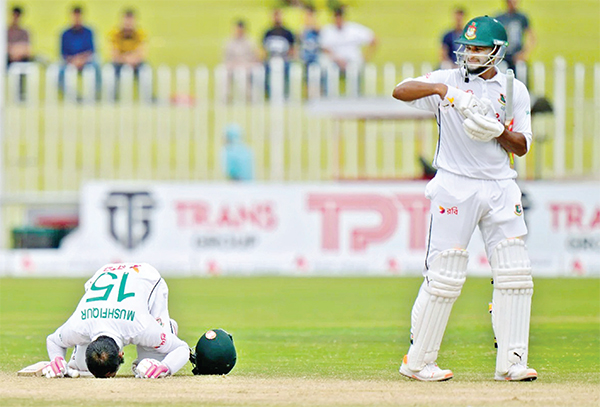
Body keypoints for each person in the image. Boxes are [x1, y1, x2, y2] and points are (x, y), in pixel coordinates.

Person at [392, 16, 537, 382]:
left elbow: (521, 147)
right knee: (445, 274)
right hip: (455, 184)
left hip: (501, 185)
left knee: (514, 273)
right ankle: (418, 362)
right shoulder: (448, 79)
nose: (470, 54)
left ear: (496, 52)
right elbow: (400, 91)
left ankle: (512, 362)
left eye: (478, 48)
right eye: (467, 47)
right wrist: (446, 93)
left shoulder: (513, 88)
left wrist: (497, 130)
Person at [42, 263, 189, 378]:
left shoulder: (141, 327)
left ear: (121, 354)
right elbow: (53, 340)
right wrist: (57, 360)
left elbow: (181, 348)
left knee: (151, 361)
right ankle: (79, 358)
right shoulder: (78, 325)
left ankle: (167, 326)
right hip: (103, 273)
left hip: (146, 277)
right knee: (81, 364)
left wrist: (165, 368)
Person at [319, 7, 377, 73]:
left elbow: (373, 39)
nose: (338, 20)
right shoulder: (328, 30)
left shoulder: (354, 29)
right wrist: (338, 60)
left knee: (356, 63)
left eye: (340, 17)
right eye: (336, 17)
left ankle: (355, 82)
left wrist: (365, 57)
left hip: (352, 60)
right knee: (324, 61)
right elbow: (324, 48)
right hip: (335, 61)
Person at [59, 6, 100, 94]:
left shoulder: (88, 32)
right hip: (70, 61)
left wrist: (81, 60)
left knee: (97, 65)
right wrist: (73, 60)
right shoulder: (65, 33)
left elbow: (91, 50)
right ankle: (68, 95)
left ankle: (94, 94)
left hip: (86, 60)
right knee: (59, 69)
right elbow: (63, 53)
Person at [495, 0, 536, 73]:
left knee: (521, 72)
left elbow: (531, 37)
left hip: (517, 54)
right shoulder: (500, 18)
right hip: (503, 55)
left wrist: (524, 53)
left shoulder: (522, 18)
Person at [109, 9, 148, 77]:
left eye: (130, 21)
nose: (128, 24)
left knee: (145, 69)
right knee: (110, 70)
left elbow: (142, 53)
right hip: (119, 63)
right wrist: (126, 59)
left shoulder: (140, 34)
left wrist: (133, 59)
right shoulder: (115, 34)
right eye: (126, 21)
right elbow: (114, 54)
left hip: (136, 63)